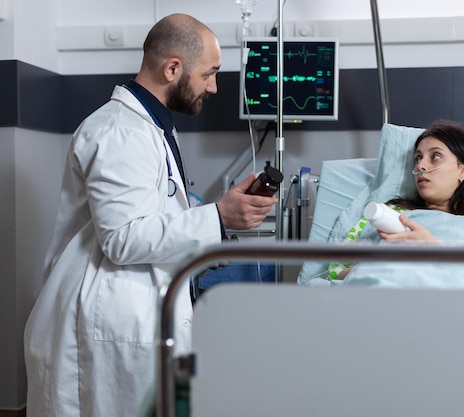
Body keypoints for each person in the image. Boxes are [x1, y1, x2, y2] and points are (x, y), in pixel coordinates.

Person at [23, 14, 277, 417]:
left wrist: (216, 226)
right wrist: (218, 218)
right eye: (209, 74)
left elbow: (155, 212)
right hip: (107, 321)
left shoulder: (153, 129)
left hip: (133, 312)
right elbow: (123, 238)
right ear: (172, 68)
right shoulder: (118, 132)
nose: (213, 86)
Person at [328, 120, 464, 280]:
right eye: (418, 158)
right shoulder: (389, 213)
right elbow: (336, 271)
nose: (421, 165)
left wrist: (436, 251)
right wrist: (385, 264)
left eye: (435, 157)